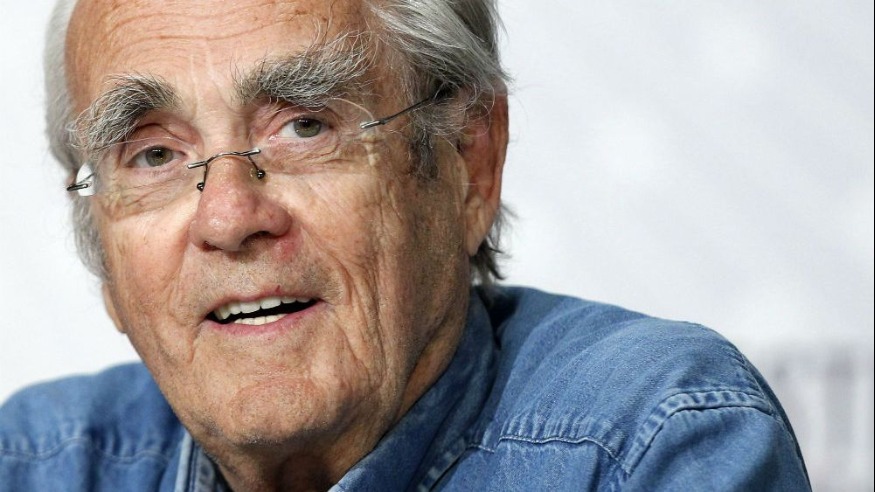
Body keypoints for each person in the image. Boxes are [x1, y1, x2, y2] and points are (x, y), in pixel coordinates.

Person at [0, 0, 810, 490]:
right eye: (153, 156)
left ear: (467, 163)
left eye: (304, 127)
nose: (229, 216)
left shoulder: (646, 442)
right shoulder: (38, 464)